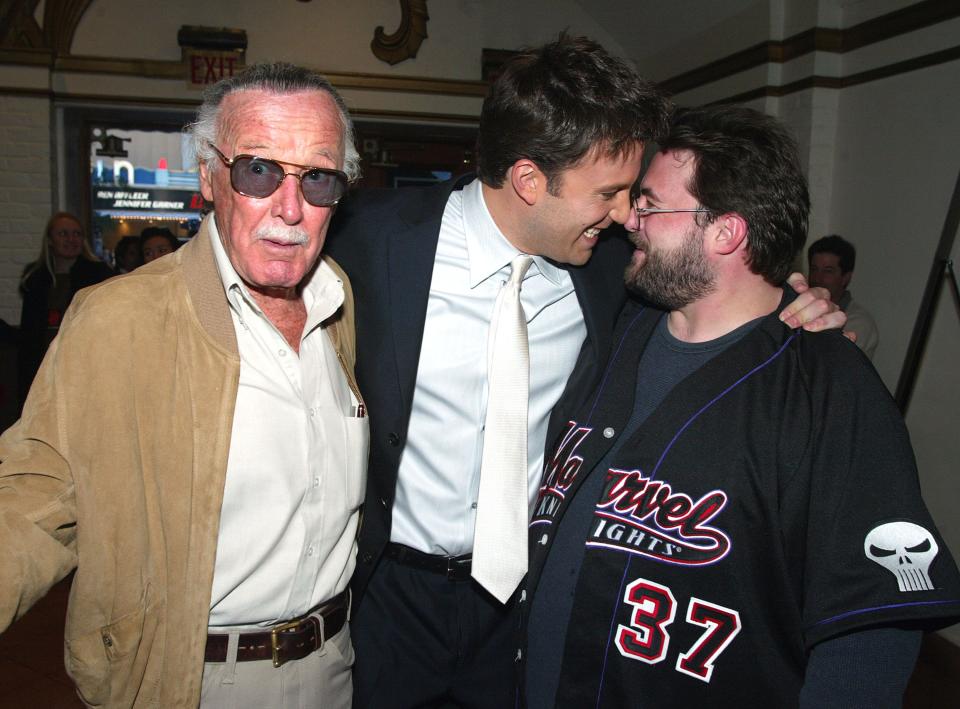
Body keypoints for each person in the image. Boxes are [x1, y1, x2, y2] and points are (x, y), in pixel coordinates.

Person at [325, 34, 843, 708]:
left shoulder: (609, 274)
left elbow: (714, 310)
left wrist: (792, 310)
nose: (629, 215)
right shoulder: (370, 243)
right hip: (391, 601)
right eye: (611, 191)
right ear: (530, 180)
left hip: (527, 605)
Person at [523, 104, 960, 708]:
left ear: (726, 232)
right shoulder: (614, 322)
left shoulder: (828, 388)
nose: (629, 219)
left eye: (650, 203)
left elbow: (870, 633)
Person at [0, 63, 366, 708]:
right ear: (208, 175)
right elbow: (37, 492)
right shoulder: (120, 317)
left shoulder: (338, 298)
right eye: (258, 171)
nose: (290, 208)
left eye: (317, 178)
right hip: (192, 679)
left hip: (334, 664)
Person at [17, 212, 113, 407]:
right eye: (63, 234)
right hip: (43, 365)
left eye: (77, 234)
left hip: (85, 363)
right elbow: (29, 332)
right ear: (50, 240)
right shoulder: (35, 278)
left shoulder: (99, 275)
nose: (71, 239)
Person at [808, 234, 879, 359]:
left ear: (846, 277)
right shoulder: (804, 309)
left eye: (828, 271)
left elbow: (828, 363)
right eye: (814, 269)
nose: (817, 278)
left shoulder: (859, 322)